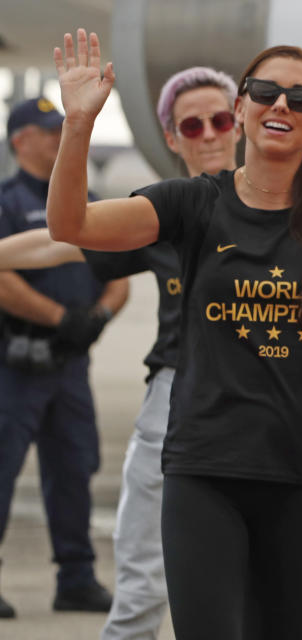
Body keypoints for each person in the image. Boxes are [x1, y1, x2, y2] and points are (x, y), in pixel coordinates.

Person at [0, 77, 302, 640]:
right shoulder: (173, 209)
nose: (209, 134)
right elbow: (62, 237)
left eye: (217, 119)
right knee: (144, 585)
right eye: (193, 125)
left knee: (296, 598)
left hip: (286, 404)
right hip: (182, 395)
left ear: (237, 122)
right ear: (173, 137)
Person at [48, 30, 302, 639]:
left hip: (300, 472)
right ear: (241, 111)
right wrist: (78, 126)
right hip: (204, 470)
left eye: (301, 98)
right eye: (264, 91)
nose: (280, 105)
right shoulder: (194, 204)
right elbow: (70, 222)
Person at [0, 97, 128, 619]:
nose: (58, 139)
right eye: (47, 130)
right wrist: (58, 317)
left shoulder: (87, 201)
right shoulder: (6, 203)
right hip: (16, 365)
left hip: (71, 366)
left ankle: (75, 578)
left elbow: (119, 269)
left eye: (61, 130)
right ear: (19, 140)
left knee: (76, 468)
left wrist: (96, 318)